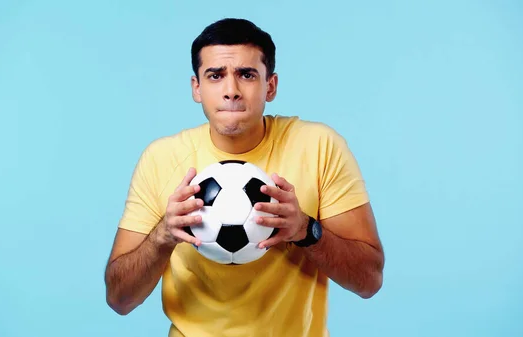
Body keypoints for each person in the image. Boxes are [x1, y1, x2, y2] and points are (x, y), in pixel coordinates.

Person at [104, 18, 385, 337]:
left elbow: (369, 280)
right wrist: (162, 237)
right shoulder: (161, 158)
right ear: (197, 88)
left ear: (271, 85)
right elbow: (119, 299)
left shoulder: (318, 146)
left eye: (246, 75)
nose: (231, 91)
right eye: (215, 75)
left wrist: (305, 230)